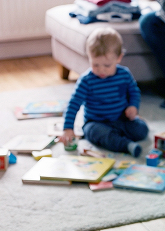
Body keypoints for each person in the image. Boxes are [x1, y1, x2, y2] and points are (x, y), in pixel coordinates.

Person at [60, 27, 148, 157]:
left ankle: (117, 137)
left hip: (121, 119)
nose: (101, 70)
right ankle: (126, 145)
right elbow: (73, 104)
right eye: (95, 65)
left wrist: (133, 107)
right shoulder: (86, 80)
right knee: (94, 132)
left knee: (141, 129)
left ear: (119, 58)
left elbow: (134, 92)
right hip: (96, 123)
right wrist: (68, 128)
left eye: (107, 65)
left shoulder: (124, 74)